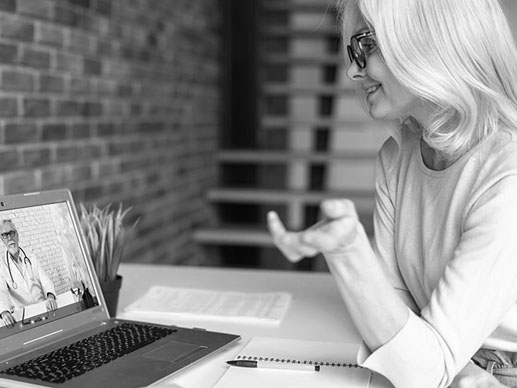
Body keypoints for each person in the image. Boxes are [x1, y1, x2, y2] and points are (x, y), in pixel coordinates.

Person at [267, 0, 517, 387]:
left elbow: (419, 368)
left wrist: (350, 253)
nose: (353, 70)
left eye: (367, 46)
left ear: (430, 40)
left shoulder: (507, 172)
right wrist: (449, 363)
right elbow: (399, 309)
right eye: (353, 51)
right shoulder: (396, 156)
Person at [0, 220, 57, 329]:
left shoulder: (31, 257)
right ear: (2, 239)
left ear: (17, 235)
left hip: (44, 309)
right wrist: (4, 312)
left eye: (12, 233)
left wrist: (50, 296)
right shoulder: (1, 265)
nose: (10, 238)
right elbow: (0, 292)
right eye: (5, 235)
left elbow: (46, 280)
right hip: (23, 317)